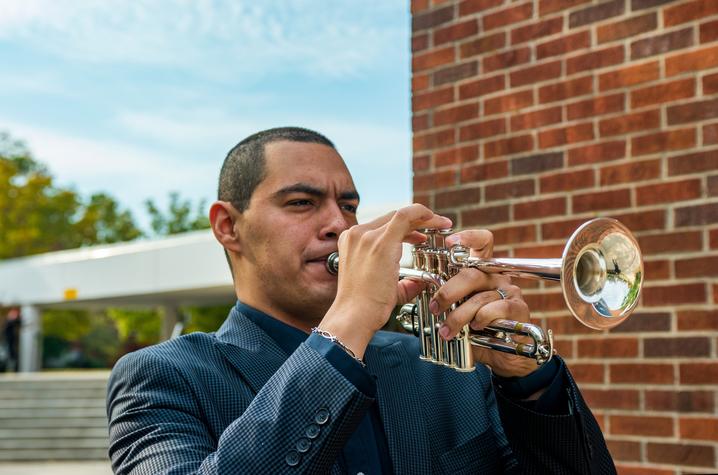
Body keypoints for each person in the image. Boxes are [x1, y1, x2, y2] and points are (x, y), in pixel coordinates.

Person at [107, 127, 615, 474]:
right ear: (228, 226)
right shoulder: (163, 377)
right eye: (302, 203)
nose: (339, 225)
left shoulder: (450, 367)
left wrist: (527, 380)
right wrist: (348, 320)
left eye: (348, 205)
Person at [3, 307, 21, 372]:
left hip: (12, 341)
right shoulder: (8, 321)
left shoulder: (12, 321)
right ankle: (9, 368)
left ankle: (13, 369)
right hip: (8, 341)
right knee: (9, 355)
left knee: (13, 355)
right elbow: (15, 321)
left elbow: (18, 322)